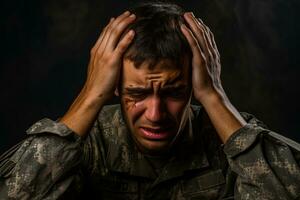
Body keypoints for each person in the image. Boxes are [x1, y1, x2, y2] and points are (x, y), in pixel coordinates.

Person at [0, 1, 300, 199]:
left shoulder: (229, 141)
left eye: (173, 92)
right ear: (114, 87)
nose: (155, 114)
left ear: (193, 87)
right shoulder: (87, 143)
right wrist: (91, 95)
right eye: (137, 94)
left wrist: (213, 94)